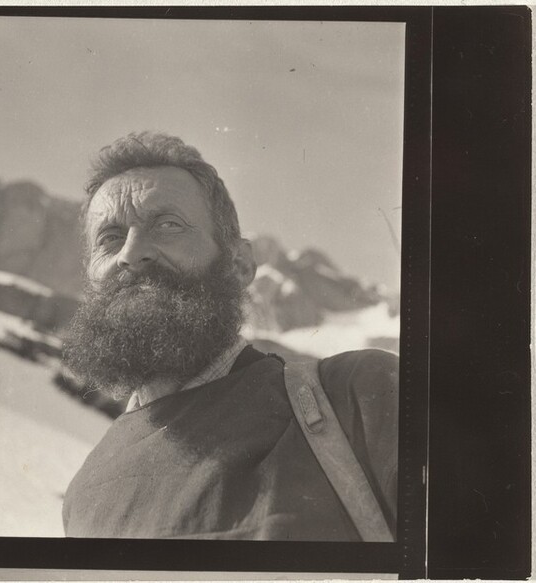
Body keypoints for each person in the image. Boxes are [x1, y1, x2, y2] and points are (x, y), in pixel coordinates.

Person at [61, 131, 398, 541]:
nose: (131, 253)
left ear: (239, 265)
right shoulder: (84, 492)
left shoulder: (360, 394)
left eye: (168, 225)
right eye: (109, 238)